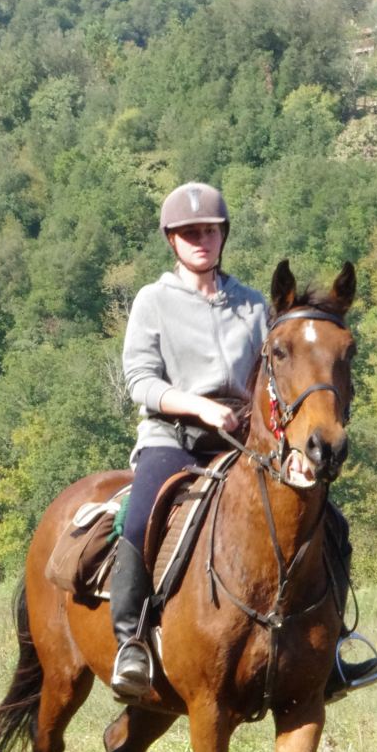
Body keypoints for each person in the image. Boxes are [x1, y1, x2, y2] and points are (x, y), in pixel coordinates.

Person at [111, 182, 269, 700]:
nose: (201, 239)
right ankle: (130, 640)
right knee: (140, 514)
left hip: (241, 442)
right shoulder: (153, 301)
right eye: (189, 232)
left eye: (210, 230)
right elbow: (141, 381)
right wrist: (198, 405)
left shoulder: (252, 306)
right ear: (171, 240)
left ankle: (330, 644)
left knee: (321, 515)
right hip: (172, 438)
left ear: (223, 235)